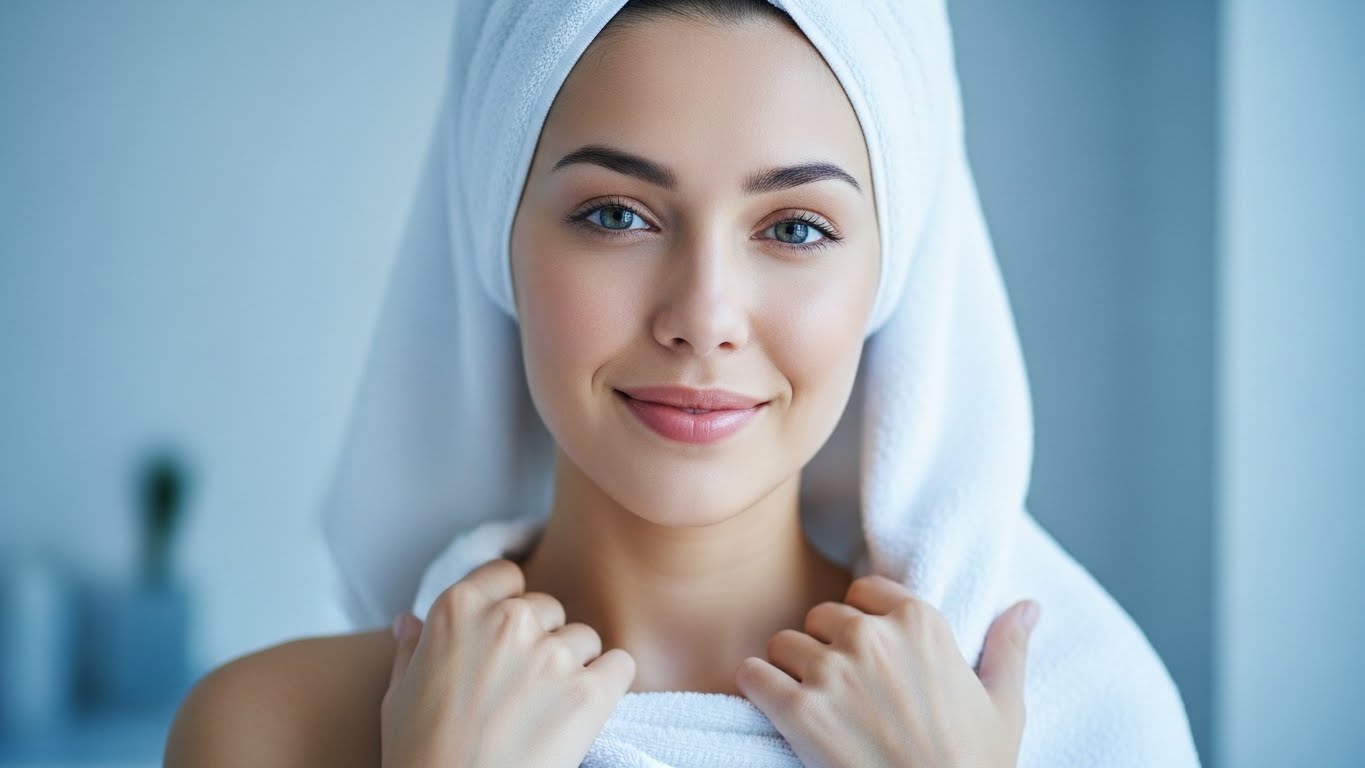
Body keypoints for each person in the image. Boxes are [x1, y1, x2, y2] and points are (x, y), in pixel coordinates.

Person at [165, 1, 1202, 766]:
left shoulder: (1075, 722)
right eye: (616, 213)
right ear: (498, 241)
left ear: (891, 274)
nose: (704, 315)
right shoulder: (275, 732)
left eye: (796, 228)